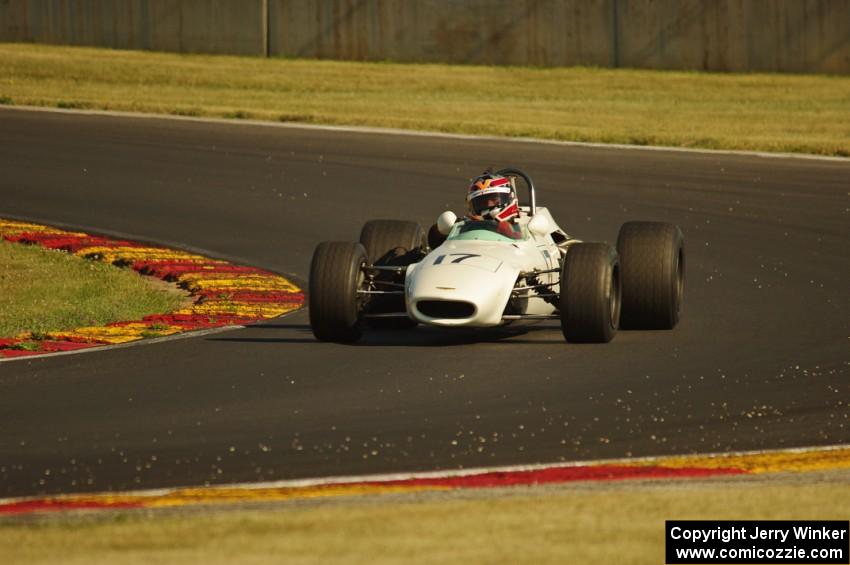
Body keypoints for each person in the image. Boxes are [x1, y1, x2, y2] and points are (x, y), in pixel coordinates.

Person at [466, 171, 523, 239]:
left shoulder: (522, 224)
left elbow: (519, 239)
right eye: (482, 201)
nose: (489, 204)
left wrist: (506, 230)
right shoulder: (468, 224)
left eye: (494, 199)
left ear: (510, 197)